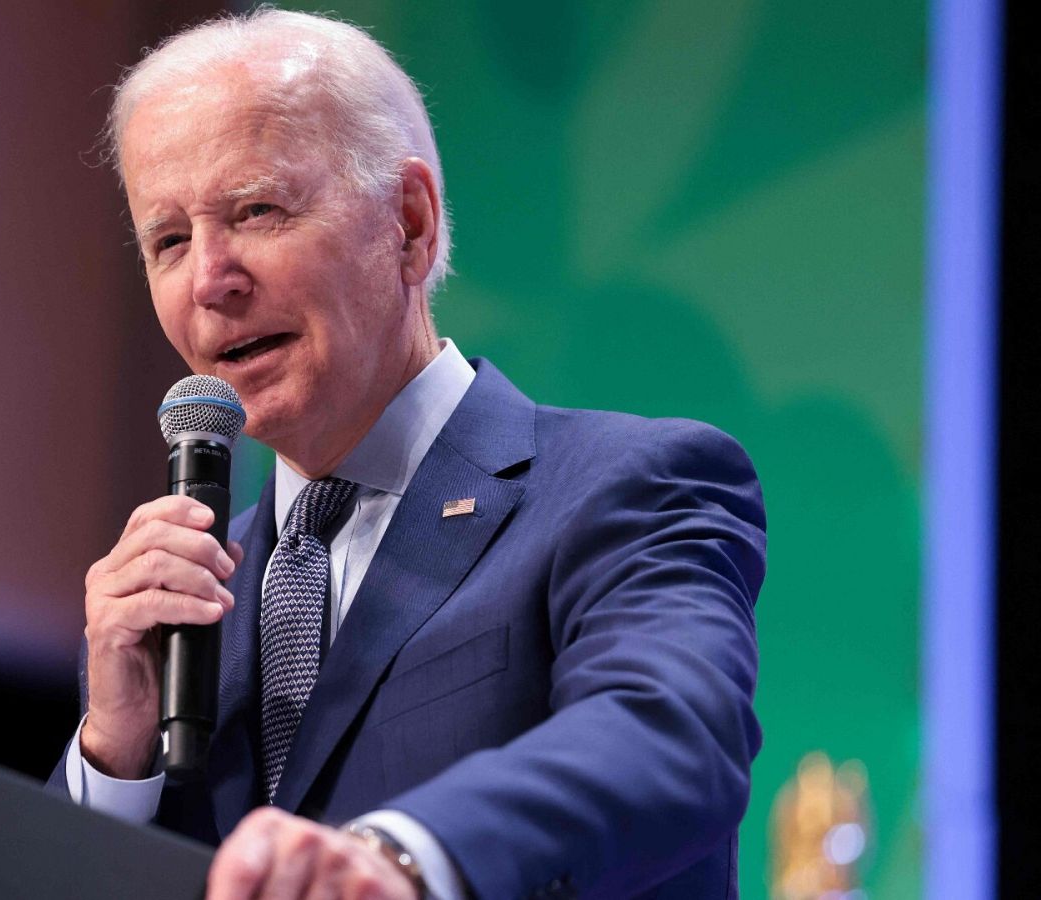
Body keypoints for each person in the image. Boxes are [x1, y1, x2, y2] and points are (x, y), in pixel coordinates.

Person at [48, 9, 766, 899]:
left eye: (257, 210)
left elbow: (670, 736)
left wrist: (405, 856)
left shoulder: (629, 487)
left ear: (410, 224)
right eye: (169, 240)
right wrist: (112, 762)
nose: (209, 279)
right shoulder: (177, 613)